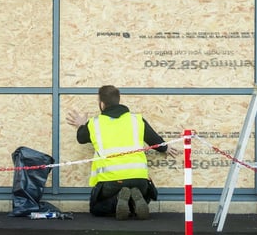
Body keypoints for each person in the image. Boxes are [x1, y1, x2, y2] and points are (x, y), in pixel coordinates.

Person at [66, 85, 179, 220]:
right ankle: (134, 201)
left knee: (96, 208)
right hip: (139, 179)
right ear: (118, 100)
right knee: (143, 194)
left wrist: (81, 124)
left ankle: (120, 198)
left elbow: (81, 138)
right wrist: (166, 148)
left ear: (102, 104)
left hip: (111, 181)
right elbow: (155, 140)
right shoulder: (136, 120)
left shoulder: (94, 124)